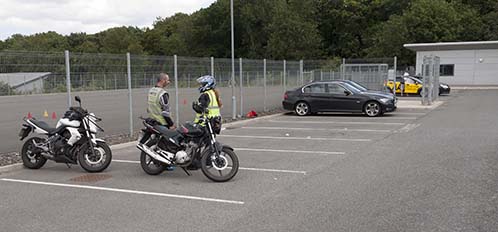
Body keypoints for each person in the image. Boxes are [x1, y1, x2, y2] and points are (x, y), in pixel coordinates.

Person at [147, 73, 175, 171]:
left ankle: (156, 161)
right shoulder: (163, 94)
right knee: (167, 143)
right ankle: (166, 164)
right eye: (167, 80)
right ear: (162, 80)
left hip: (152, 121)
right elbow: (165, 112)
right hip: (161, 122)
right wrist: (171, 124)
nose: (169, 82)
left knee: (156, 142)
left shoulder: (151, 91)